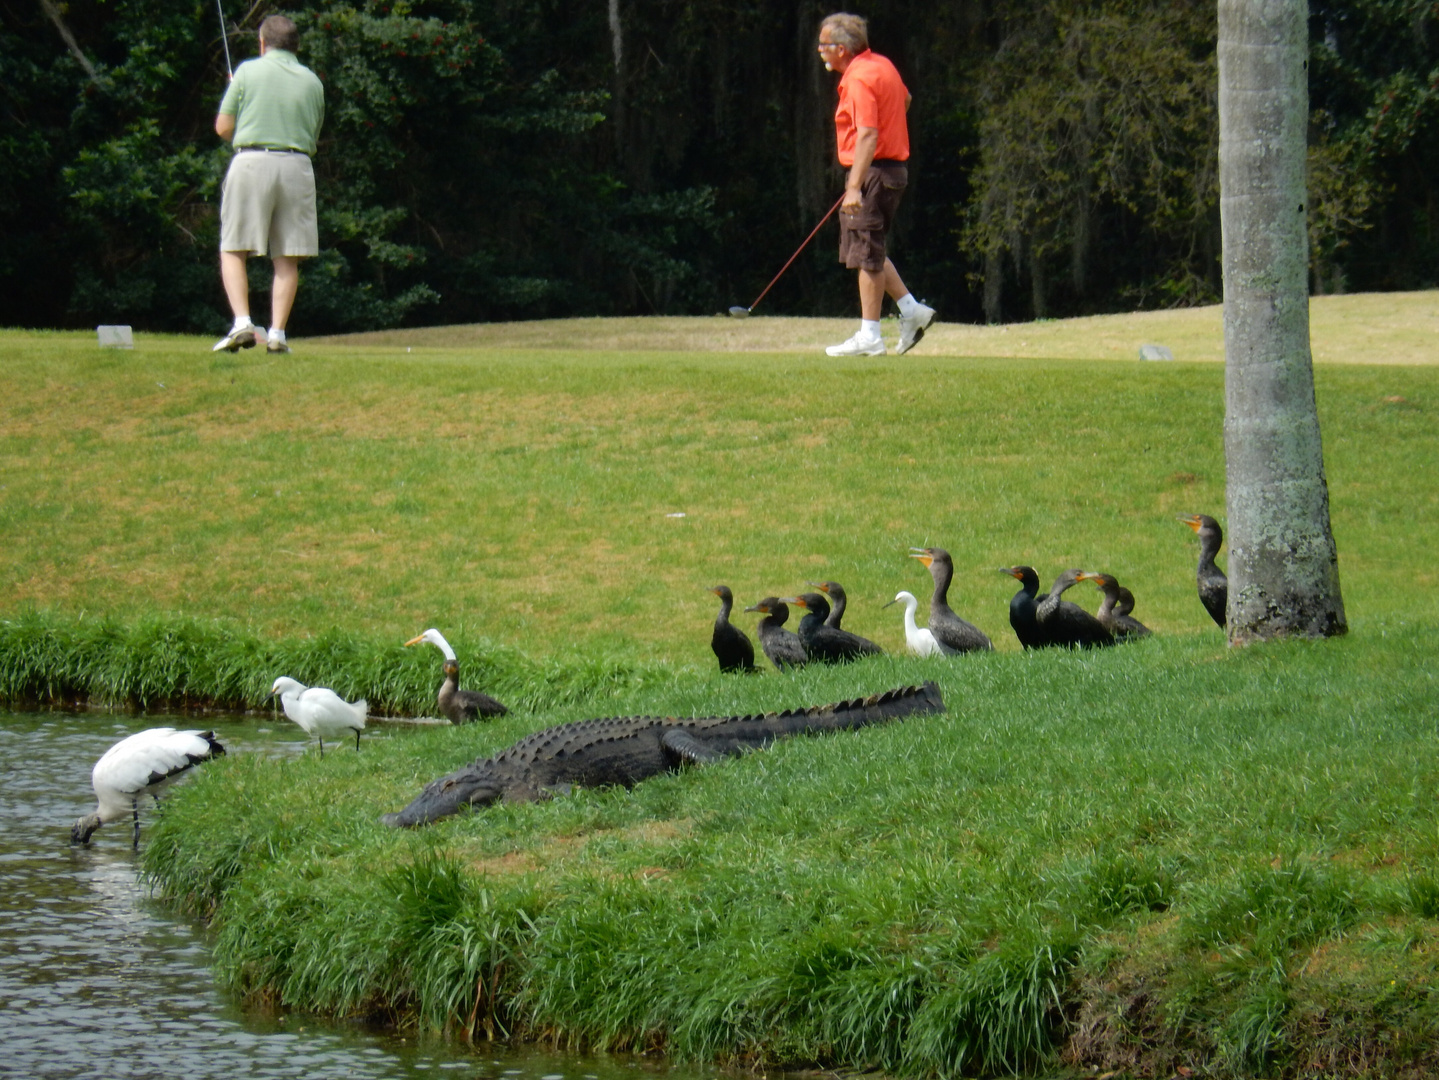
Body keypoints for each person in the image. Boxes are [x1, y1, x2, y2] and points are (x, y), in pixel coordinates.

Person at [817, 13, 935, 357]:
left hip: (875, 172)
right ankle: (912, 310)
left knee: (866, 254)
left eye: (824, 45)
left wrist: (854, 186)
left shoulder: (858, 79)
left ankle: (870, 336)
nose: (820, 51)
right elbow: (906, 99)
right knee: (869, 246)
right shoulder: (881, 65)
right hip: (890, 170)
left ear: (841, 49)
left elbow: (868, 134)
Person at [212, 14, 325, 354]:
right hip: (297, 165)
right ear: (296, 46)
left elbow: (223, 127)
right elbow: (313, 133)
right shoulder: (313, 81)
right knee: (287, 256)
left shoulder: (247, 71)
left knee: (234, 247)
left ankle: (243, 323)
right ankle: (276, 334)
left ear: (263, 43)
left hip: (252, 161)